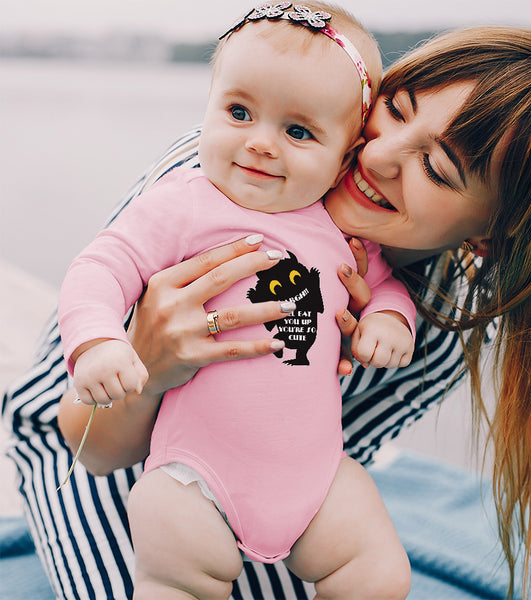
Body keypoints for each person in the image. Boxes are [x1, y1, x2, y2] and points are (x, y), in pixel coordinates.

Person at [3, 22, 531, 600]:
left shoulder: (436, 331)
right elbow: (93, 446)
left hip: (256, 482)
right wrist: (150, 357)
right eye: (395, 110)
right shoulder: (229, 168)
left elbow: (310, 480)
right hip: (87, 439)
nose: (379, 157)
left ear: (487, 237)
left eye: (437, 170)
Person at [57, 3, 414, 598]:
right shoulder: (186, 203)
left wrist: (388, 318)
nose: (259, 144)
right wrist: (97, 342)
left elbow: (383, 286)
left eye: (298, 131)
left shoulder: (333, 227)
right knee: (178, 575)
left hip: (315, 477)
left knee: (378, 571)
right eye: (239, 112)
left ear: (346, 156)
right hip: (194, 476)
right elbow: (100, 266)